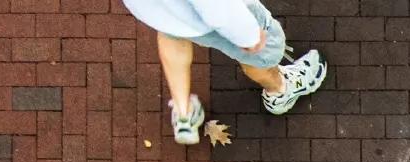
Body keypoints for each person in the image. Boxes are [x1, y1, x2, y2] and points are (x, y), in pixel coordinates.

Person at [116, 0, 325, 145]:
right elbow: (218, 8)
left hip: (156, 9)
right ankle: (280, 90)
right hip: (208, 17)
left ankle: (184, 112)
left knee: (172, 33)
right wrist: (248, 35)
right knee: (262, 51)